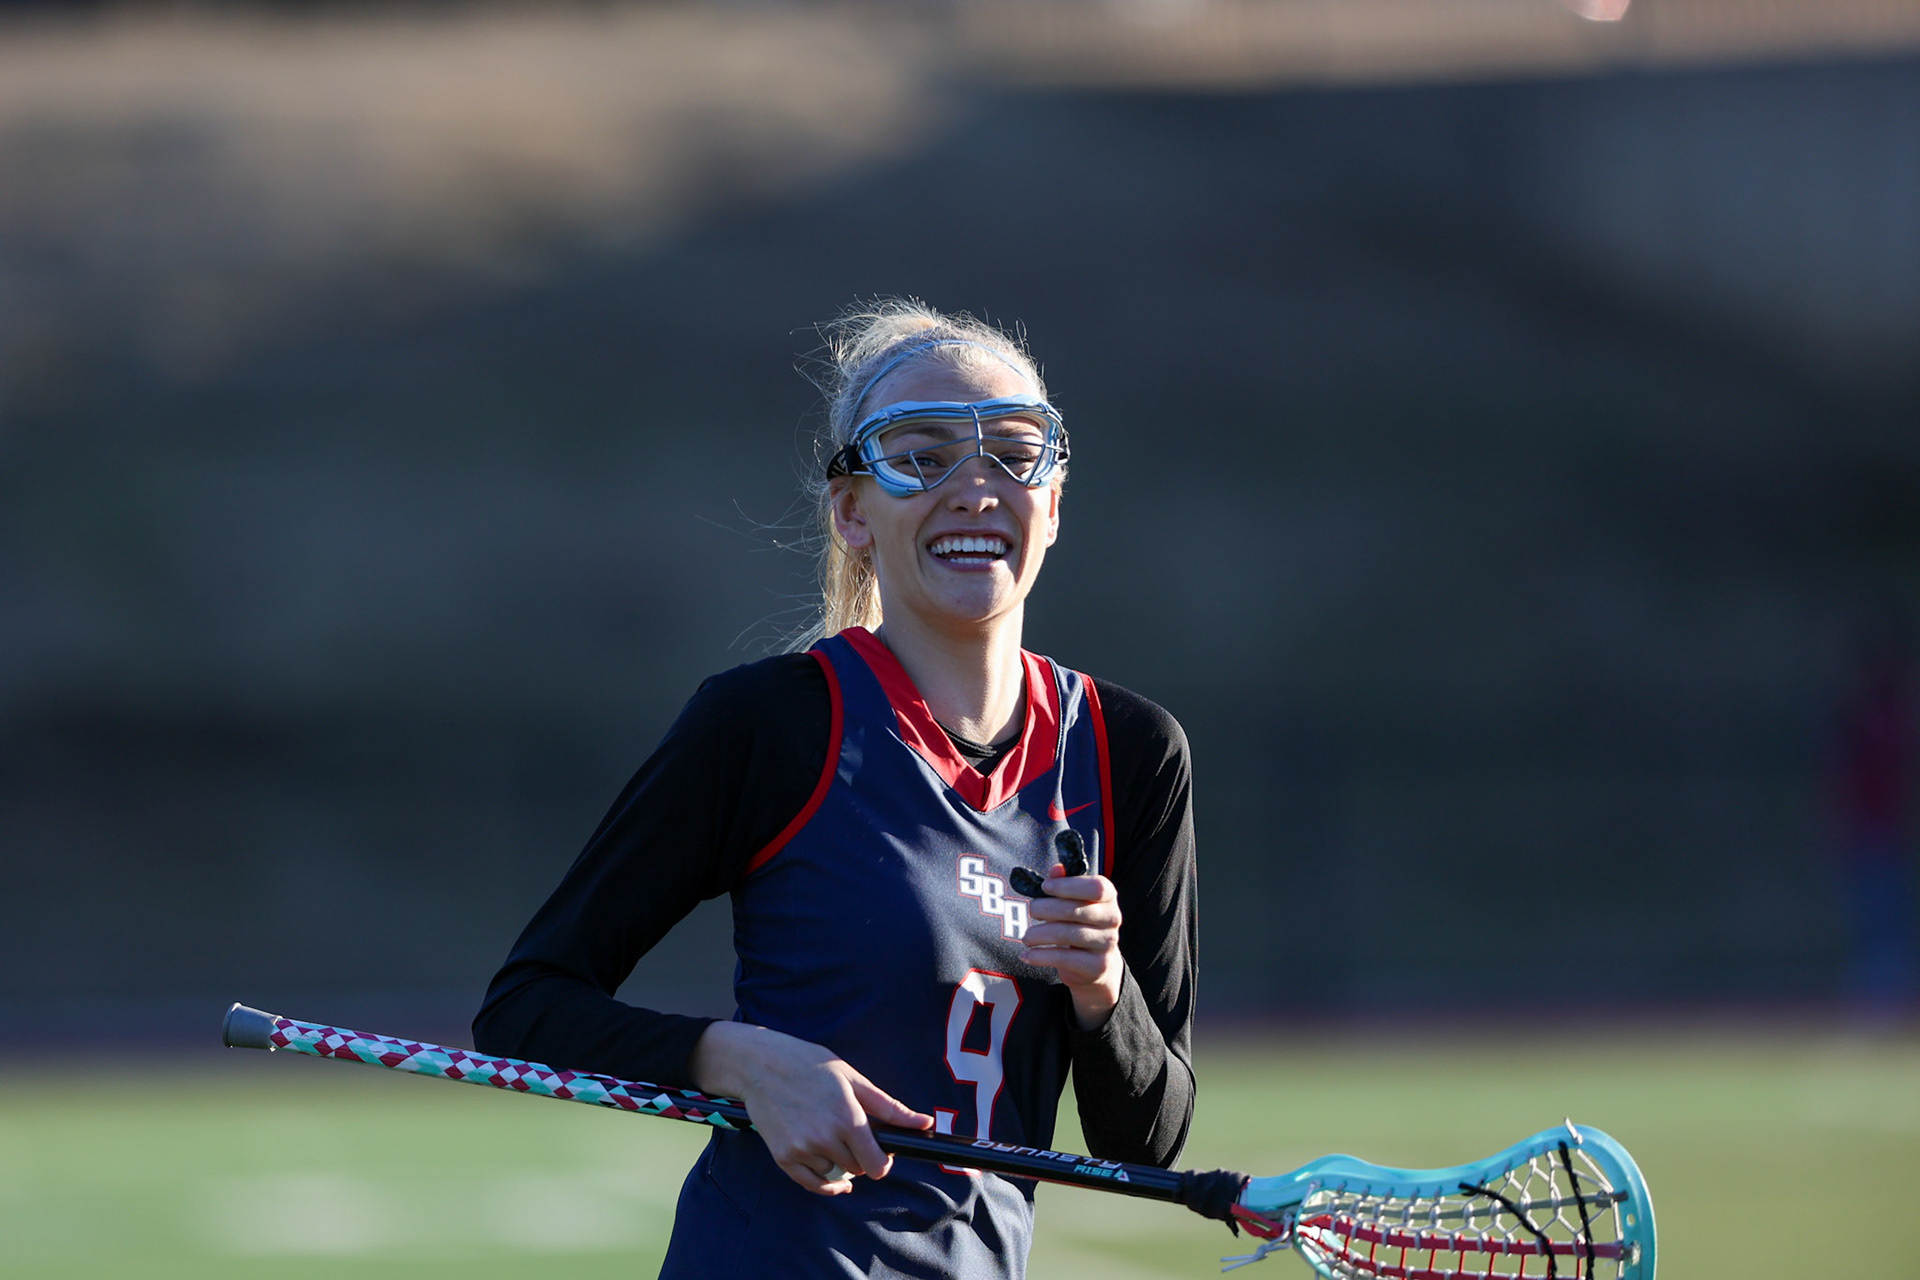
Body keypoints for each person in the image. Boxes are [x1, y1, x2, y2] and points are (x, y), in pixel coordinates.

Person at [473, 299, 1197, 1278]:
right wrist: (737, 1059)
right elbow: (527, 1006)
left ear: (1056, 502)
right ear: (854, 511)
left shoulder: (1130, 751)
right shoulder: (773, 722)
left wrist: (1105, 994)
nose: (976, 488)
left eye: (1014, 452)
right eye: (922, 455)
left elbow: (1146, 1148)